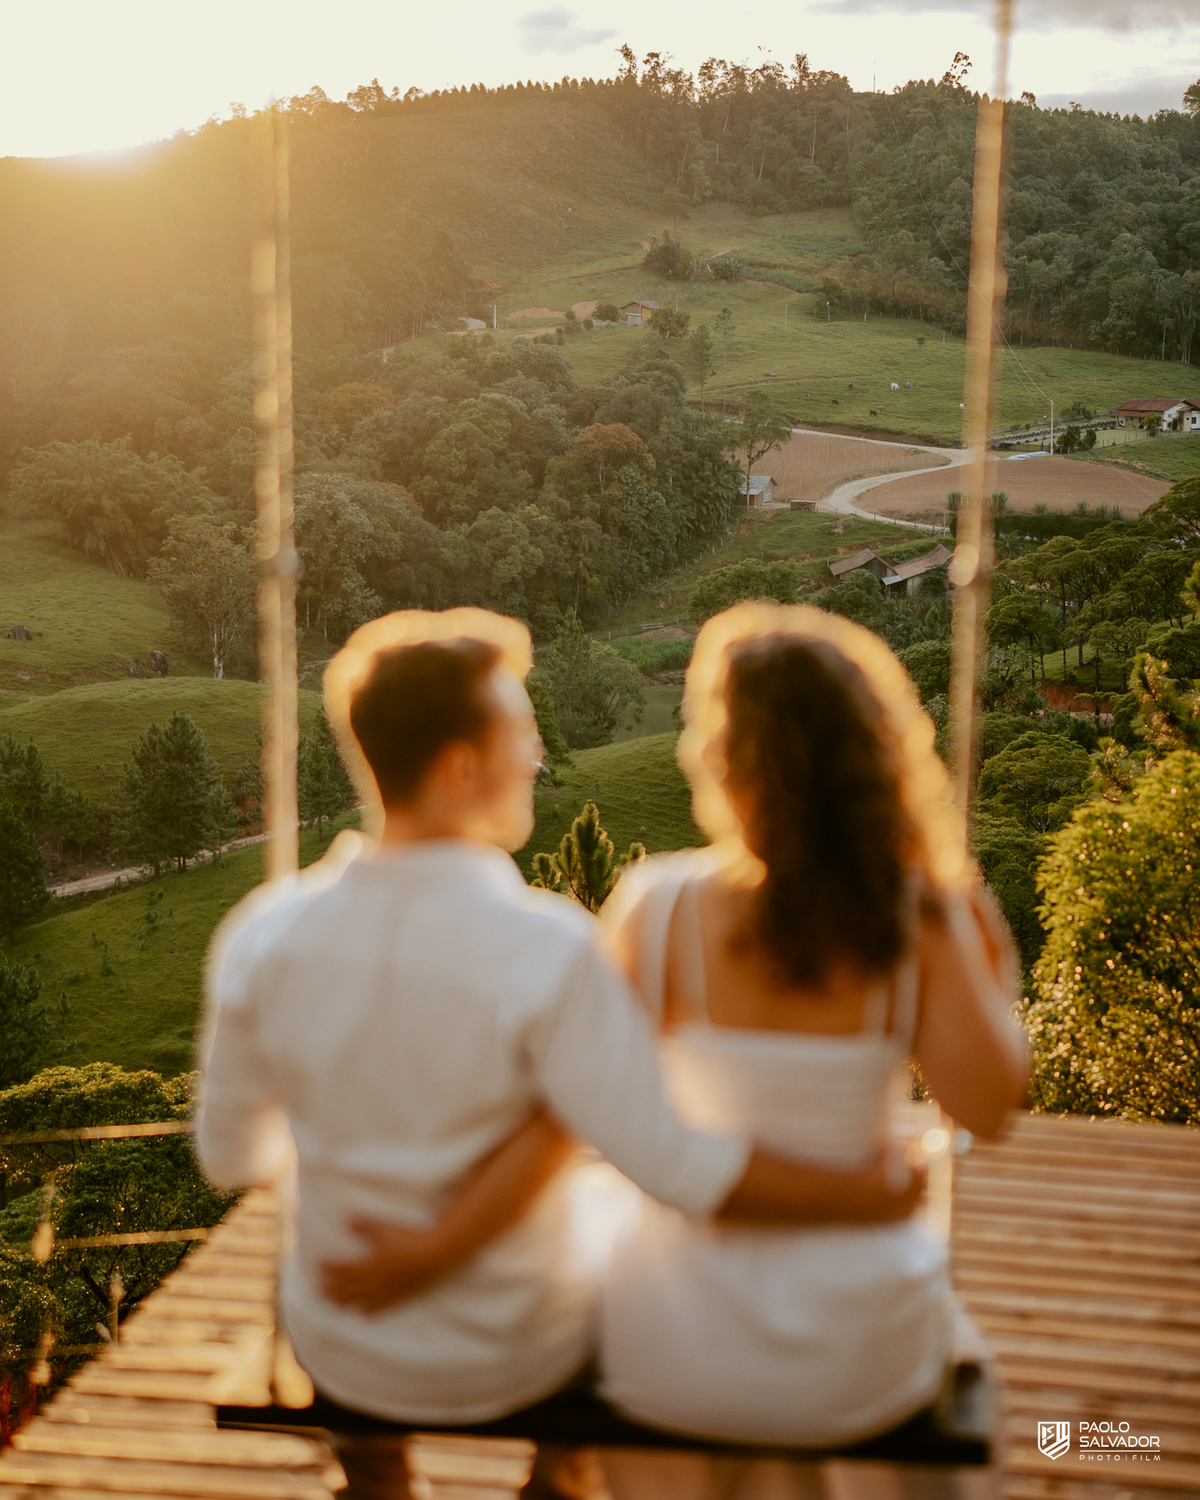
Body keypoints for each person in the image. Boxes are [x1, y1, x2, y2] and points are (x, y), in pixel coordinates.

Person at [196, 607, 925, 1500]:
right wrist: (866, 1190)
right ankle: (558, 1478)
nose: (536, 757)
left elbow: (229, 1155)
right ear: (461, 768)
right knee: (616, 1251)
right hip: (519, 1349)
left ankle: (377, 1477)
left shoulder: (263, 935)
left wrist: (362, 1166)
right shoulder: (548, 947)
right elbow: (671, 1163)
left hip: (346, 1332)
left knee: (348, 1362)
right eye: (522, 734)